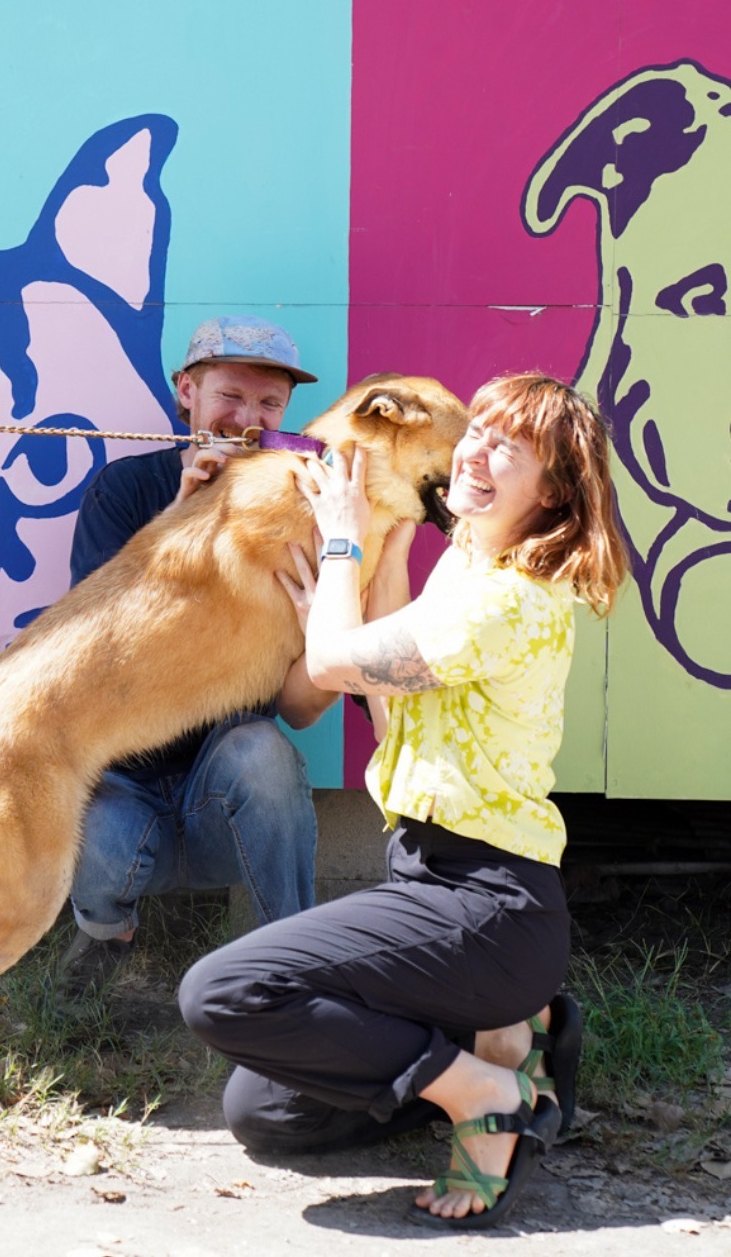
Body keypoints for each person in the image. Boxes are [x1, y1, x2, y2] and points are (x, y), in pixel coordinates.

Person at [179, 372, 629, 1229]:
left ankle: (486, 1094)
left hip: (487, 900)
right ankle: (511, 1038)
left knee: (223, 994)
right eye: (479, 433)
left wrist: (344, 544)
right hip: (428, 881)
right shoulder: (469, 566)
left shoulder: (504, 601)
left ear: (554, 494)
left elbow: (332, 668)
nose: (477, 453)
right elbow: (390, 715)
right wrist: (355, 583)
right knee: (267, 1113)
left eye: (511, 448)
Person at [59, 315, 338, 995]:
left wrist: (334, 625)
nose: (248, 419)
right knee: (80, 810)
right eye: (229, 397)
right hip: (125, 780)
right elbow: (100, 658)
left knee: (263, 751)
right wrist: (181, 523)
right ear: (187, 392)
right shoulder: (125, 492)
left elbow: (299, 712)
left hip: (226, 788)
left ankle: (291, 968)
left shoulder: (302, 516)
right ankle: (106, 935)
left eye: (269, 405)